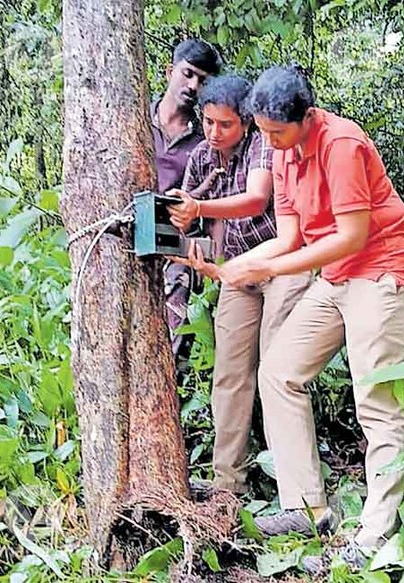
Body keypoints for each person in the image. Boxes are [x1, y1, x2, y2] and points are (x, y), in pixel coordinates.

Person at [216, 66, 404, 568]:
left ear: (307, 117)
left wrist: (271, 265)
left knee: (376, 399)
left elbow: (351, 236)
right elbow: (289, 237)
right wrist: (239, 265)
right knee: (279, 372)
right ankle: (307, 508)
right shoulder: (283, 154)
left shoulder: (342, 144)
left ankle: (374, 535)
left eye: (277, 133)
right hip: (337, 277)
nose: (270, 144)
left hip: (382, 271)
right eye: (263, 133)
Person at [165, 74, 312, 495]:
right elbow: (191, 218)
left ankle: (292, 484)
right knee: (230, 374)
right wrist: (187, 245)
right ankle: (228, 483)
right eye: (208, 122)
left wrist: (199, 207)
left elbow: (256, 198)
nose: (214, 133)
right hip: (238, 270)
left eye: (224, 124)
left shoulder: (265, 144)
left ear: (245, 122)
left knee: (276, 369)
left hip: (281, 262)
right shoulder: (200, 158)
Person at [149, 38, 221, 372]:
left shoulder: (207, 140)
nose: (193, 86)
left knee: (173, 332)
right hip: (127, 232)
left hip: (176, 242)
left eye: (203, 81)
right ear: (170, 72)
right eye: (188, 74)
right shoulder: (135, 121)